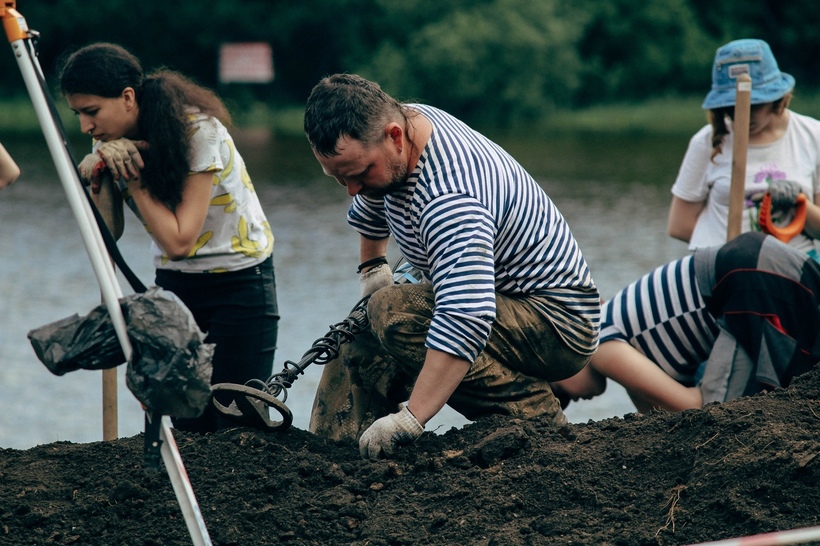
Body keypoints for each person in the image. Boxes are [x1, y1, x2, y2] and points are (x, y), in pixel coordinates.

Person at [303, 73, 601, 459]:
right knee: (363, 323)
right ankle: (335, 453)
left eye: (359, 174)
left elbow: (466, 315)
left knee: (392, 312)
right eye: (339, 178)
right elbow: (371, 197)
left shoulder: (452, 199)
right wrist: (373, 268)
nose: (352, 189)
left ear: (394, 136)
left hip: (556, 320)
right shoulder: (404, 128)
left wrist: (411, 418)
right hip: (495, 294)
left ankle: (534, 415)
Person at [58, 43, 279, 433]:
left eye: (91, 112)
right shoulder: (108, 142)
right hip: (175, 287)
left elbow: (180, 241)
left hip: (241, 285)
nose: (85, 127)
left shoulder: (198, 131)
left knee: (237, 425)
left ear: (128, 98)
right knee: (184, 421)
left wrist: (135, 180)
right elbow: (108, 238)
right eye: (78, 114)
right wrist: (98, 181)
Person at [551, 232, 820, 413]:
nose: (566, 403)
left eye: (558, 395)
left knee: (717, 419)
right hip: (749, 264)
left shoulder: (600, 347)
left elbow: (693, 408)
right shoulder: (614, 326)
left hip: (745, 281)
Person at [668, 38, 820, 252]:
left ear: (777, 98)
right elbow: (679, 225)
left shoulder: (813, 135)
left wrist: (797, 202)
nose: (741, 113)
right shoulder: (706, 142)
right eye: (730, 105)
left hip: (796, 267)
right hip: (729, 268)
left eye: (754, 104)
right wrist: (735, 255)